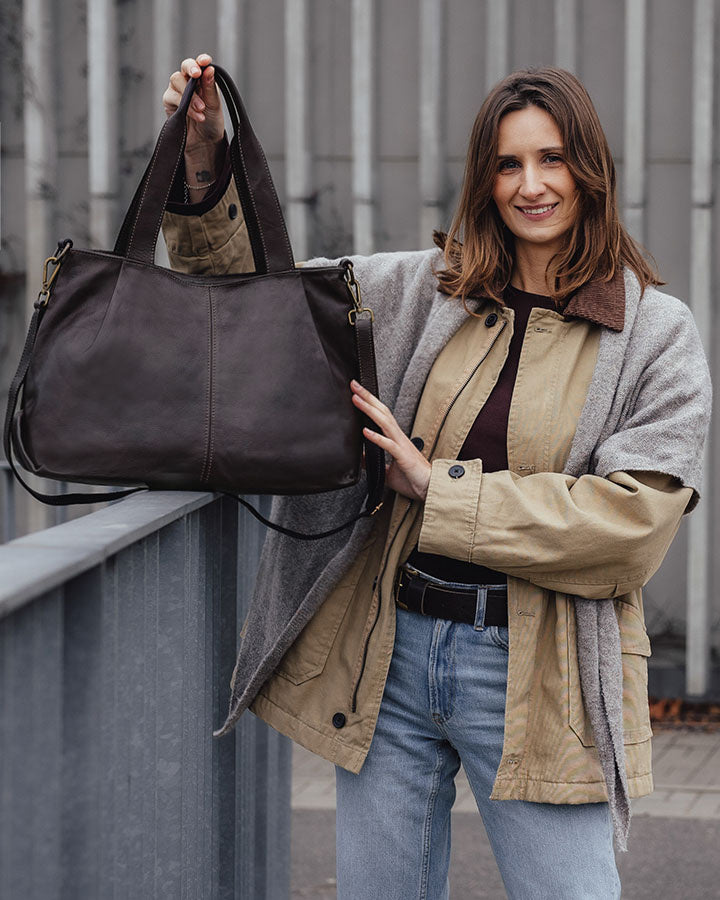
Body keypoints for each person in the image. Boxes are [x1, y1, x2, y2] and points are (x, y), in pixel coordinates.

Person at [161, 55, 712, 899]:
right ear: (484, 180)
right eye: (508, 163)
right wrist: (203, 161)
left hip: (542, 671)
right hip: (394, 653)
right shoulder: (425, 290)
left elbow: (630, 530)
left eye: (552, 159)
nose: (531, 185)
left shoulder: (653, 333)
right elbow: (254, 307)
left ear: (590, 170)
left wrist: (439, 488)